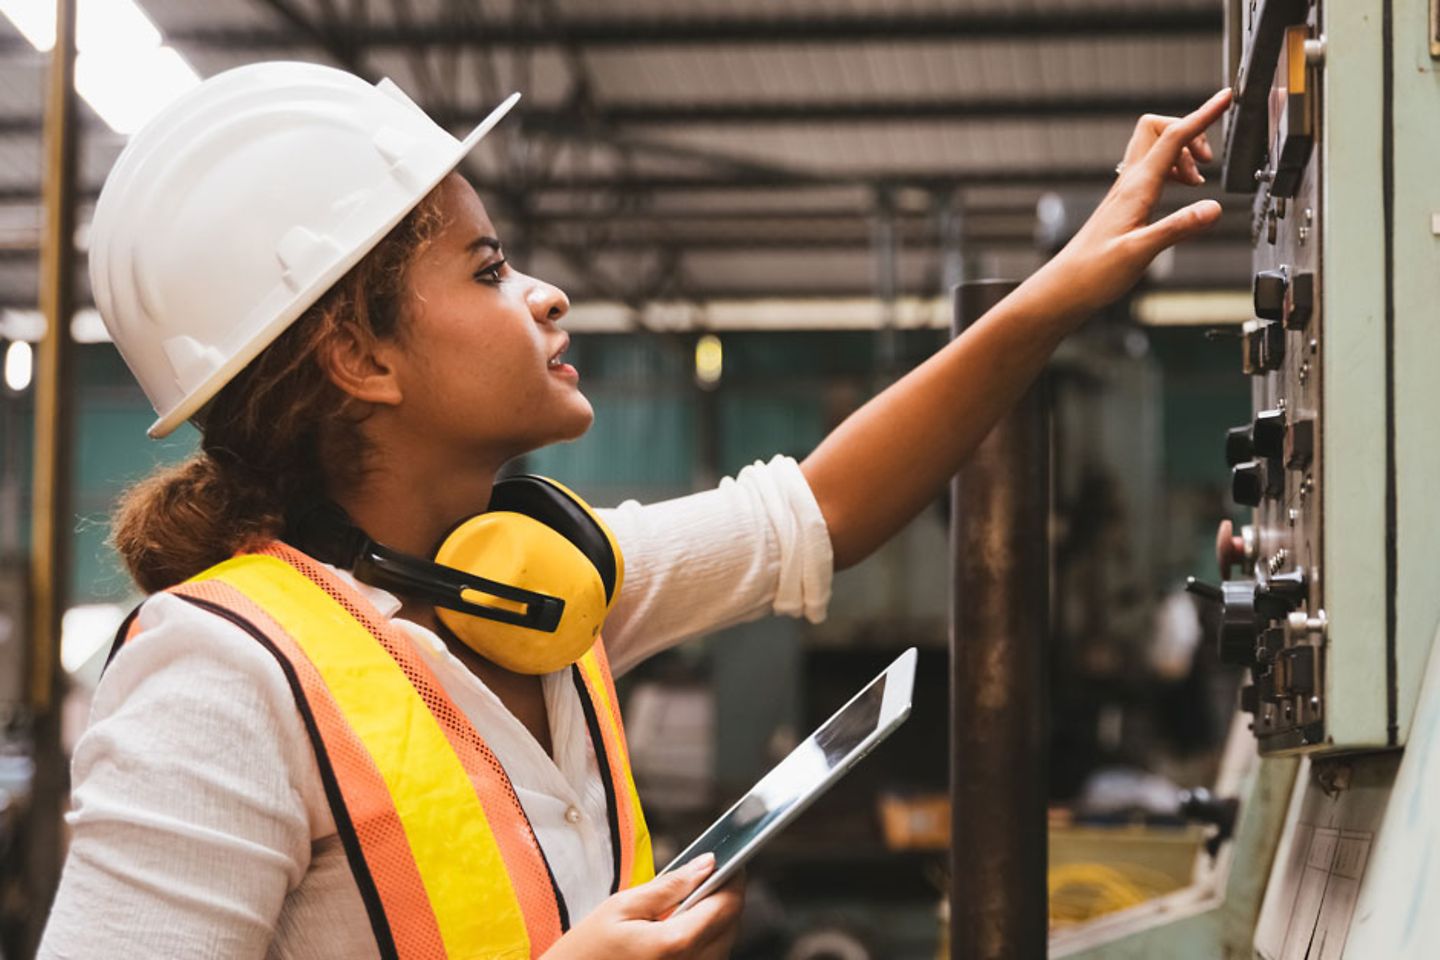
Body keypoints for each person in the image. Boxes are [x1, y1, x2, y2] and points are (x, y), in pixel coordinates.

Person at [37, 60, 1231, 959]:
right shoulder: (218, 681)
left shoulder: (542, 587)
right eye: (490, 268)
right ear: (358, 354)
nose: (547, 296)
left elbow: (814, 511)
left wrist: (1062, 288)